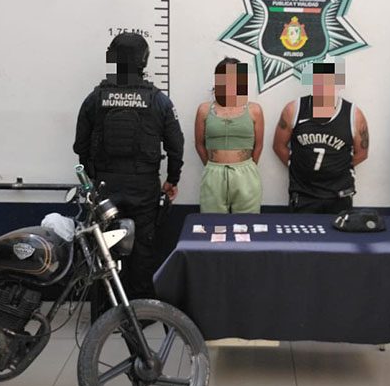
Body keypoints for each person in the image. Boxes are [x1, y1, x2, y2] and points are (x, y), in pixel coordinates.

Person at [73, 33, 184, 309]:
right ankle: (140, 314)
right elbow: (176, 146)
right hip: (143, 188)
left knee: (104, 250)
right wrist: (172, 179)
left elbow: (80, 146)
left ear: (113, 59)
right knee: (142, 251)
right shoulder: (158, 101)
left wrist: (95, 178)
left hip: (105, 187)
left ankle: (104, 313)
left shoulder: (95, 99)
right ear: (144, 60)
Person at [273, 62, 369, 213]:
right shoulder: (294, 109)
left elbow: (362, 153)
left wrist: (334, 169)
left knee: (338, 228)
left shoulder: (353, 115)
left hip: (338, 194)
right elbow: (279, 146)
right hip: (303, 193)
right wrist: (300, 167)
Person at [194, 58, 264, 213]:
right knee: (212, 224)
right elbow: (199, 144)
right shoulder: (204, 110)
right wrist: (212, 167)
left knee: (247, 224)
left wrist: (247, 168)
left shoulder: (254, 110)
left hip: (246, 174)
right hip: (213, 174)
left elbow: (258, 145)